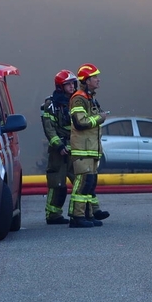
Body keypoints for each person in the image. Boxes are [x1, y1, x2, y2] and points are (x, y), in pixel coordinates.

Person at [68, 63, 108, 228]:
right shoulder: (79, 98)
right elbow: (80, 123)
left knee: (90, 183)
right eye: (95, 77)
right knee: (83, 182)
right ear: (86, 80)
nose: (98, 80)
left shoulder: (89, 98)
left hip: (90, 149)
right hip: (82, 149)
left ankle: (88, 215)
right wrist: (100, 118)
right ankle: (76, 217)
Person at [41, 70, 77, 224]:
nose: (71, 86)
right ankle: (52, 215)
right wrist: (59, 145)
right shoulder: (51, 105)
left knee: (80, 180)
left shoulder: (77, 101)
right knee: (57, 183)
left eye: (72, 83)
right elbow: (49, 129)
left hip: (75, 148)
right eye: (67, 84)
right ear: (60, 87)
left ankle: (80, 213)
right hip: (59, 151)